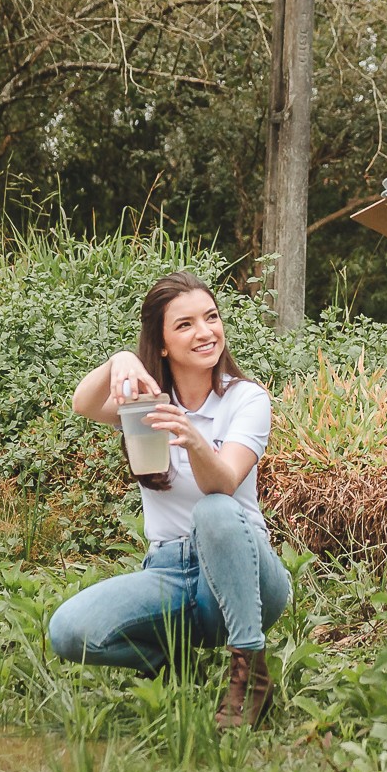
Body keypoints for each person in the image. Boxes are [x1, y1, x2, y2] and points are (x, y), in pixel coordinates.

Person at [47, 271, 290, 728]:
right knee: (67, 632)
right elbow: (82, 403)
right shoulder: (146, 409)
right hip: (171, 572)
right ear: (160, 344)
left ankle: (250, 672)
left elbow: (224, 482)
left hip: (249, 576)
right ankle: (171, 663)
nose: (205, 332)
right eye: (185, 325)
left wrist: (194, 439)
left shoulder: (246, 399)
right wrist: (120, 360)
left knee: (215, 509)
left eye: (211, 318)